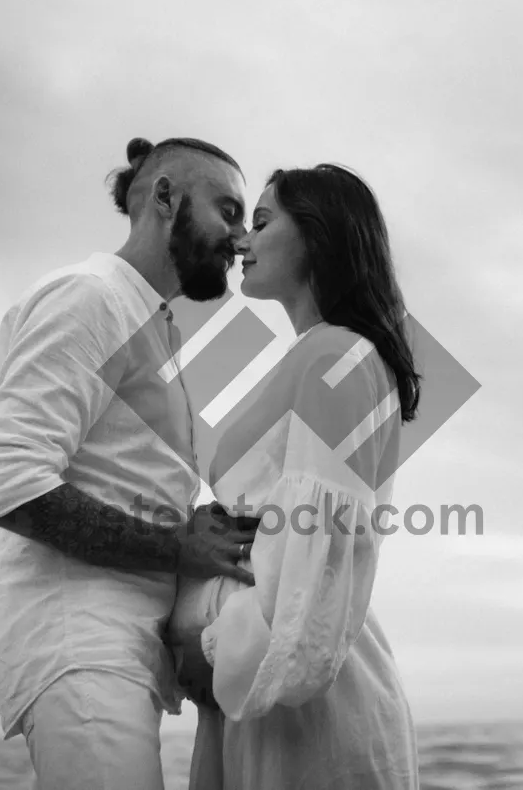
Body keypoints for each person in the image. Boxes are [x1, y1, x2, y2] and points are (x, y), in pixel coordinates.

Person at [0, 136, 259, 789]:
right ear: (164, 198)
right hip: (81, 650)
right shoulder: (90, 296)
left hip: (121, 655)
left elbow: (128, 483)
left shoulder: (157, 325)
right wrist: (177, 547)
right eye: (229, 211)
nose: (241, 240)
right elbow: (6, 481)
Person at [166, 164, 423, 789]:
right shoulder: (326, 353)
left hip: (294, 699)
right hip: (265, 689)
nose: (240, 242)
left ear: (316, 235)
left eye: (260, 222)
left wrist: (210, 652)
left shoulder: (333, 355)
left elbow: (320, 553)